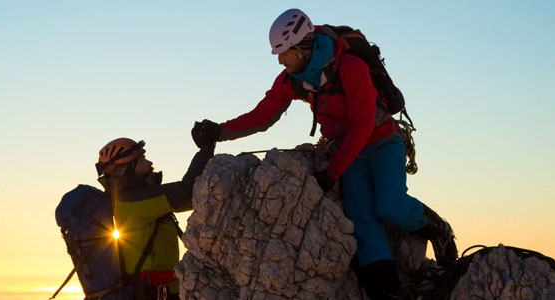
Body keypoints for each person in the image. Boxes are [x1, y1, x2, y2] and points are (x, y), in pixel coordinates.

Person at [191, 8, 457, 299]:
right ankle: (387, 293)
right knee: (363, 222)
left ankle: (437, 229)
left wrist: (331, 174)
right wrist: (219, 131)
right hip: (349, 151)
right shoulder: (293, 79)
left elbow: (363, 126)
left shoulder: (351, 68)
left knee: (389, 204)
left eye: (285, 52)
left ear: (304, 46)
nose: (280, 59)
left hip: (383, 141)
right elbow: (262, 116)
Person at [95, 137, 215, 300]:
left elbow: (195, 198)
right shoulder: (132, 202)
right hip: (154, 294)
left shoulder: (139, 200)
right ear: (126, 168)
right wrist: (207, 146)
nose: (149, 163)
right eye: (142, 159)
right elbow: (187, 191)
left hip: (162, 292)